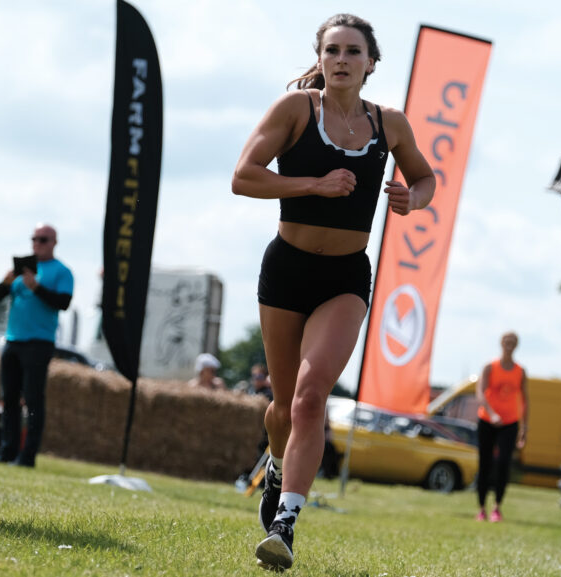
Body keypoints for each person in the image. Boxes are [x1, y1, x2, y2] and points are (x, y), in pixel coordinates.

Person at [231, 13, 435, 570]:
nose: (342, 60)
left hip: (346, 277)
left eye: (353, 52)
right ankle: (276, 468)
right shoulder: (295, 110)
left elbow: (425, 178)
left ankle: (285, 525)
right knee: (281, 410)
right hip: (287, 270)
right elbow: (243, 176)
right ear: (320, 59)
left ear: (372, 63)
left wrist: (410, 200)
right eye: (333, 51)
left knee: (311, 395)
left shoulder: (390, 124)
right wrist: (313, 185)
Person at [0, 224, 73, 468]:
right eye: (34, 239)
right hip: (13, 340)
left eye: (43, 239)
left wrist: (36, 287)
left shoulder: (62, 271)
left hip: (39, 343)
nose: (37, 243)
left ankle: (28, 456)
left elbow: (63, 303)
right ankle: (7, 451)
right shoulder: (19, 271)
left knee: (34, 400)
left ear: (54, 242)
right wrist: (6, 283)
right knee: (10, 399)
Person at [474, 331, 528, 522]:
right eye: (507, 341)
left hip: (510, 422)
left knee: (504, 463)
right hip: (487, 421)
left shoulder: (520, 371)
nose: (509, 344)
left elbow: (525, 400)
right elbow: (480, 393)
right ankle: (481, 508)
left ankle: (497, 507)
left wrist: (524, 428)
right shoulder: (490, 367)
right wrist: (491, 412)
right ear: (501, 343)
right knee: (485, 463)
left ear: (516, 345)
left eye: (513, 342)